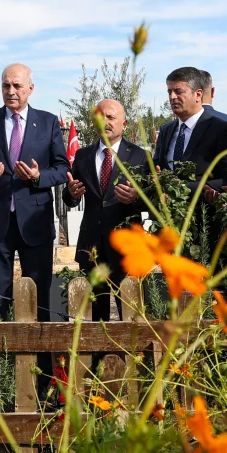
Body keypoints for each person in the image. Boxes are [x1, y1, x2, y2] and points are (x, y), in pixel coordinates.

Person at [0, 64, 70, 320]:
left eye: (17, 86)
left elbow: (62, 167)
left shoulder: (47, 123)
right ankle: (1, 358)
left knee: (37, 295)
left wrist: (38, 176)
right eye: (5, 85)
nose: (10, 91)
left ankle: (39, 359)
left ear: (30, 89)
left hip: (35, 222)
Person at [64, 99, 148, 320]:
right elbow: (69, 198)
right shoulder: (82, 156)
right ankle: (98, 356)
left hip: (126, 248)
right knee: (95, 316)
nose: (105, 122)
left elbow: (152, 200)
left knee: (131, 314)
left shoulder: (140, 157)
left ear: (124, 123)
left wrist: (135, 198)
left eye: (111, 117)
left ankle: (131, 356)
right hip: (91, 246)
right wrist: (71, 194)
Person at [155, 66, 227, 182]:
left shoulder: (221, 130)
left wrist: (184, 189)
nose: (172, 97)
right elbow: (155, 167)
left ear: (198, 94)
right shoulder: (166, 130)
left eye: (178, 91)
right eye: (170, 92)